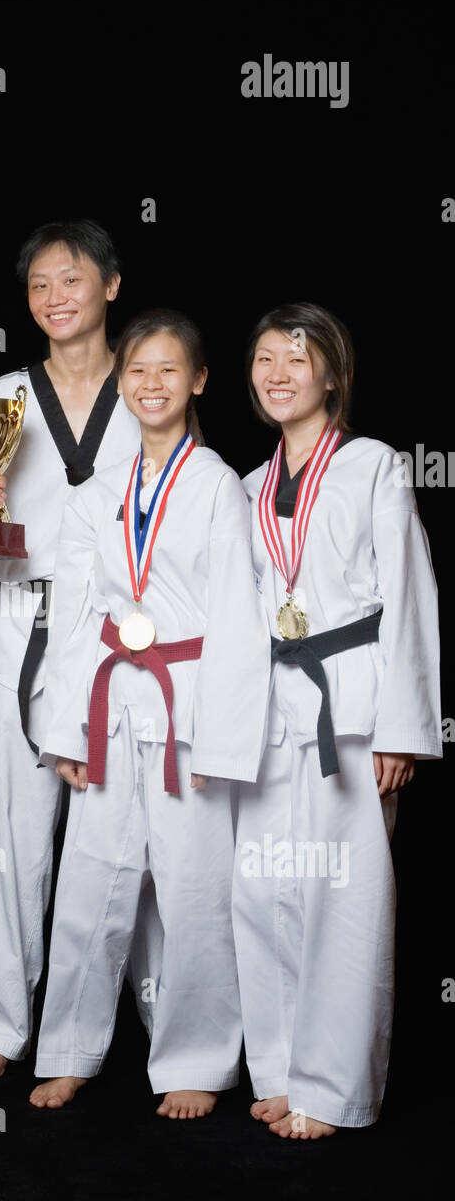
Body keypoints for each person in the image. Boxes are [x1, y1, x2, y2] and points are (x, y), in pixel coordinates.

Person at [28, 309, 270, 1114]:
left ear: (198, 380)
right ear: (120, 381)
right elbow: (73, 613)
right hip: (107, 701)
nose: (152, 385)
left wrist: (224, 743)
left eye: (170, 370)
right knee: (90, 882)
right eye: (137, 371)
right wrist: (65, 728)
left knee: (195, 888)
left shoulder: (217, 485)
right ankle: (68, 1049)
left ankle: (196, 1059)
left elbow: (239, 617)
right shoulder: (98, 490)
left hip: (189, 706)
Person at [232, 303, 441, 1139]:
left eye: (297, 357)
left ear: (331, 373)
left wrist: (401, 727)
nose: (279, 374)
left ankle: (335, 1087)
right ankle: (282, 1070)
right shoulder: (246, 486)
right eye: (265, 360)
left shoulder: (374, 466)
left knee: (342, 895)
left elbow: (413, 595)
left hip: (350, 701)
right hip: (269, 701)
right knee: (263, 889)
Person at [0, 221, 142, 1083]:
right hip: (19, 630)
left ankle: (122, 1027)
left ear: (109, 285)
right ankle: (0, 1025)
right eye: (38, 285)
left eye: (71, 280)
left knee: (116, 841)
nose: (55, 297)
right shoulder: (2, 395)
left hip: (116, 646)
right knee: (10, 840)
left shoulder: (148, 384)